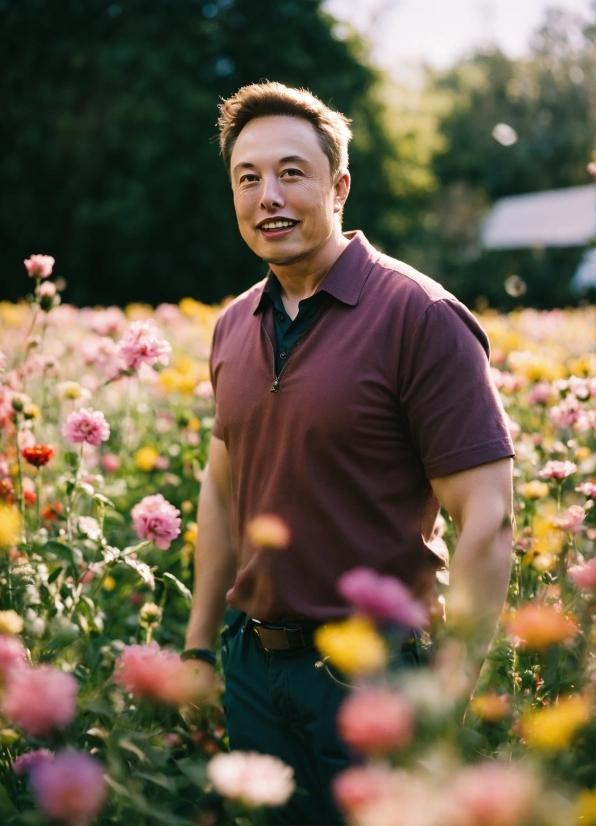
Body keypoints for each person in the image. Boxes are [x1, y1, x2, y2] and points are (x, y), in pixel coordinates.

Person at [183, 81, 514, 825]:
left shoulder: (418, 315)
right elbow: (222, 484)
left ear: (340, 185)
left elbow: (486, 515)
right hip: (251, 669)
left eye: (291, 173)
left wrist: (447, 694)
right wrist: (201, 646)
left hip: (373, 678)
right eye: (248, 178)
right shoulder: (234, 323)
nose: (268, 195)